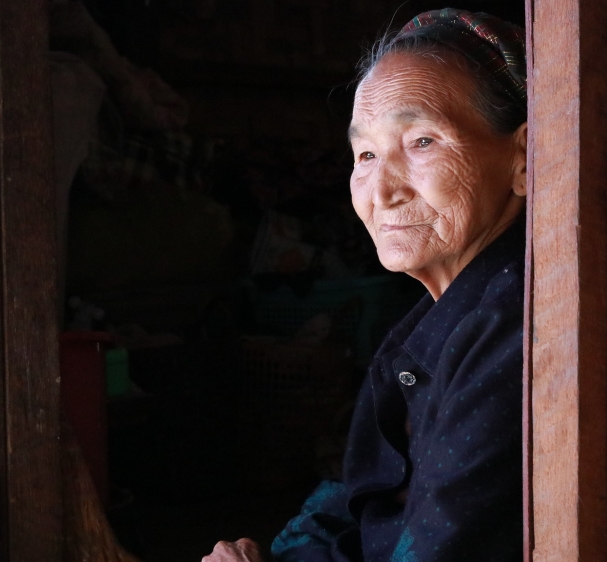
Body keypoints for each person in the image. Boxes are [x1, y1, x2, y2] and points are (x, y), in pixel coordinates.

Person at [203, 8, 528, 561]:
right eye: (367, 154)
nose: (380, 191)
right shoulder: (436, 320)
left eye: (422, 141)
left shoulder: (510, 331)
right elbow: (360, 501)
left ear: (525, 158)